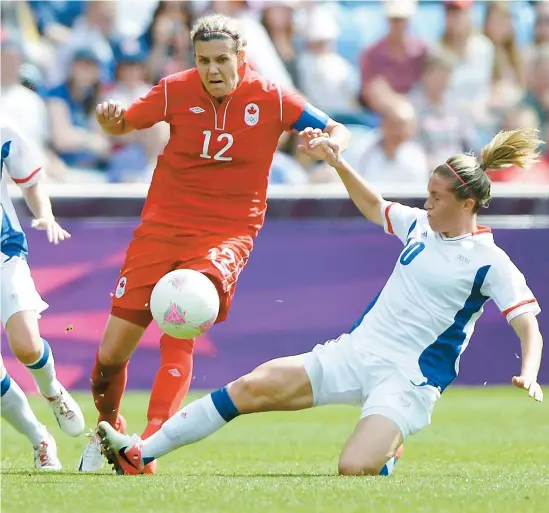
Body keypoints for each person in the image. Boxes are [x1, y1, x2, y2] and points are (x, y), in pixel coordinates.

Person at [97, 126, 544, 476]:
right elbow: (374, 205)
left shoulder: (490, 261)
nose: (426, 204)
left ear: (467, 204)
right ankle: (140, 451)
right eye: (427, 194)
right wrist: (337, 162)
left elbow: (527, 323)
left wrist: (528, 372)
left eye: (436, 197)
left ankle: (386, 445)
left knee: (353, 469)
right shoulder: (419, 227)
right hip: (355, 352)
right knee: (251, 386)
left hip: (409, 379)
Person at [78, 13, 350, 473]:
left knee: (181, 316)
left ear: (241, 58)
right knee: (108, 359)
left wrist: (328, 143)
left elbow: (337, 127)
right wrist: (111, 119)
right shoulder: (173, 89)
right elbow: (124, 125)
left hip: (227, 233)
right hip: (161, 230)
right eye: (204, 60)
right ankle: (107, 430)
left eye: (222, 59)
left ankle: (147, 447)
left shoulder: (271, 96)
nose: (213, 70)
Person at [0, 122, 85, 469]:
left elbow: (30, 180)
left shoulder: (3, 131)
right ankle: (40, 439)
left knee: (27, 345)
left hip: (4, 252)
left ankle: (52, 391)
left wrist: (45, 215)